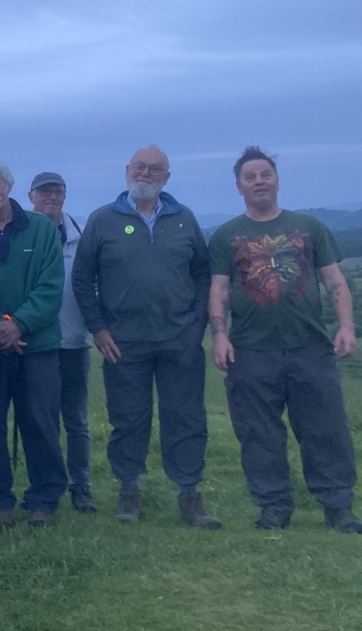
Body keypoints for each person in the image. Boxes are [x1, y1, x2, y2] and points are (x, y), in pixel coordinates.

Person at [209, 146, 361, 532]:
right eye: (250, 177)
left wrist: (345, 326)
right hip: (250, 350)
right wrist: (220, 335)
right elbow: (220, 289)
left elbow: (334, 279)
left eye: (265, 174)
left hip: (310, 346)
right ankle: (274, 505)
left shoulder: (309, 226)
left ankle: (338, 506)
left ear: (277, 180)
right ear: (238, 186)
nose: (258, 181)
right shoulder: (226, 235)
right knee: (258, 433)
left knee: (325, 428)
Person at [72, 145, 219, 529]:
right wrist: (98, 328)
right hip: (123, 341)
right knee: (128, 419)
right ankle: (129, 489)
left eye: (156, 169)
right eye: (140, 167)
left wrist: (197, 326)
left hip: (180, 339)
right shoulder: (102, 219)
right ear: (127, 171)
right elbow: (82, 278)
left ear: (166, 177)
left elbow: (203, 275)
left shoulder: (184, 219)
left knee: (186, 418)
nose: (147, 173)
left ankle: (189, 493)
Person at [0, 157, 68, 529]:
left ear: (8, 186)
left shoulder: (41, 229)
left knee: (41, 423)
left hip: (37, 347)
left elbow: (51, 287)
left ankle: (43, 501)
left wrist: (19, 324)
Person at [26, 171, 96, 514]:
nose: (51, 198)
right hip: (36, 344)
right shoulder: (22, 236)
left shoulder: (82, 239)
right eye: (45, 192)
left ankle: (81, 487)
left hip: (73, 341)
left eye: (58, 192)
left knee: (76, 420)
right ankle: (44, 486)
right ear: (31, 197)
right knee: (41, 420)